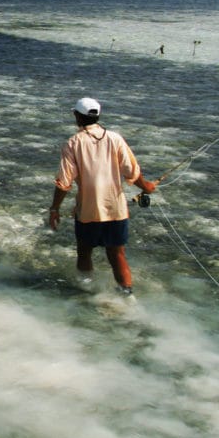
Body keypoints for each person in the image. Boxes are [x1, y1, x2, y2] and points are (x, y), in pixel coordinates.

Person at [48, 97, 157, 295]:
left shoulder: (72, 143)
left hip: (88, 211)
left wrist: (54, 209)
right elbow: (131, 171)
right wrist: (146, 186)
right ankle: (126, 294)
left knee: (84, 251)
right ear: (98, 116)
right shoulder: (115, 138)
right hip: (117, 210)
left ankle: (86, 290)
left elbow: (64, 183)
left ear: (77, 116)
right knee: (117, 254)